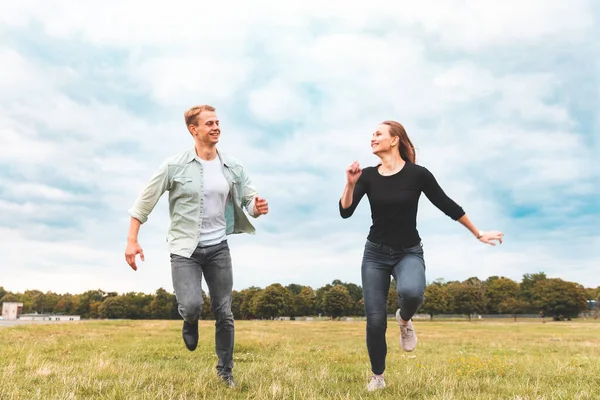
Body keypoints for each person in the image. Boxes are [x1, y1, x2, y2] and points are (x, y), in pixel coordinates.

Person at [338, 121, 504, 392]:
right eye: (372, 135)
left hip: (409, 252)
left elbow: (446, 203)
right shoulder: (366, 176)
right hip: (375, 255)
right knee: (375, 320)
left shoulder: (418, 175)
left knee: (413, 293)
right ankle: (377, 377)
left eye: (378, 134)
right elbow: (345, 211)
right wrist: (349, 184)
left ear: (394, 140)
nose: (372, 138)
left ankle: (404, 319)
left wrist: (478, 233)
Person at [124, 105, 269, 388]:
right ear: (194, 129)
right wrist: (132, 240)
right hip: (184, 249)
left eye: (217, 122)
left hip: (218, 248)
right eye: (209, 123)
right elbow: (144, 202)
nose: (216, 127)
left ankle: (225, 372)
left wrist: (257, 206)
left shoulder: (232, 166)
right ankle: (189, 319)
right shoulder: (174, 165)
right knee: (191, 305)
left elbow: (249, 198)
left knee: (224, 311)